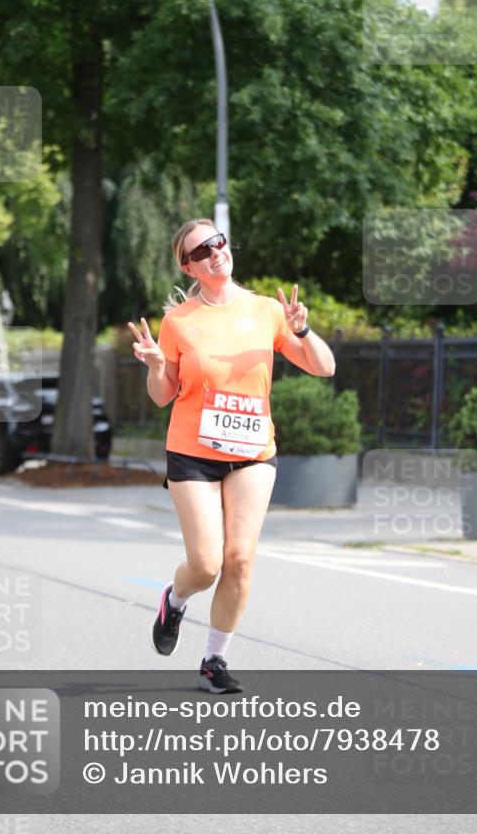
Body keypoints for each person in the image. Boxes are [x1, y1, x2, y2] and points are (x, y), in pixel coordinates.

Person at [128, 218, 335, 693]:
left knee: (240, 559)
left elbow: (324, 368)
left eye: (218, 241)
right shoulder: (178, 322)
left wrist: (302, 331)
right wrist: (158, 366)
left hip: (252, 450)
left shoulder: (267, 311)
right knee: (206, 564)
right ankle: (175, 600)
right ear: (188, 267)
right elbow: (163, 396)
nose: (215, 251)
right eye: (202, 250)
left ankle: (213, 661)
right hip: (192, 452)